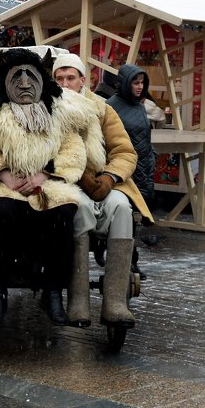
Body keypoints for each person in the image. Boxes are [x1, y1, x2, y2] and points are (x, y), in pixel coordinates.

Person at [0, 48, 96, 327]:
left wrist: (46, 175)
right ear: (4, 79)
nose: (25, 84)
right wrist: (4, 175)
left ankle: (53, 291)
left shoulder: (60, 109)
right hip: (5, 184)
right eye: (16, 77)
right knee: (1, 211)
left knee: (64, 213)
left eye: (31, 76)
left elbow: (73, 149)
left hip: (48, 184)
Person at [52, 53, 153, 328]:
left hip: (103, 181)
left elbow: (124, 151)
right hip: (64, 183)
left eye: (70, 78)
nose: (64, 84)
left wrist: (109, 177)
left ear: (82, 80)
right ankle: (78, 299)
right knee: (79, 207)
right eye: (59, 78)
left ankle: (115, 302)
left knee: (121, 206)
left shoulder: (102, 109)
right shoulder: (46, 108)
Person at [106, 64, 157, 202]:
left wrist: (152, 157)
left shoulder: (139, 106)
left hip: (144, 168)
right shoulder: (110, 106)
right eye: (136, 83)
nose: (140, 86)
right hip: (125, 170)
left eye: (142, 82)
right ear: (125, 83)